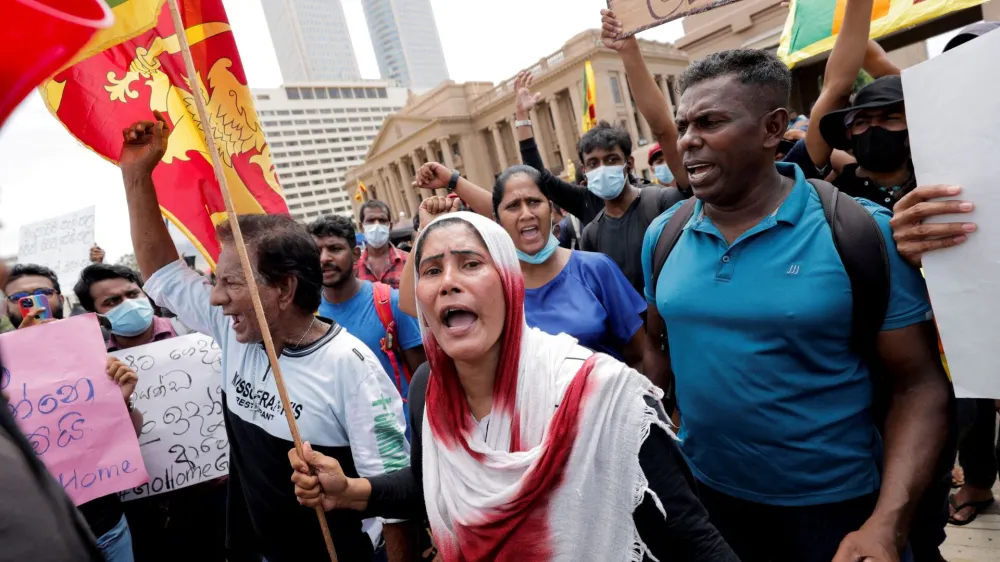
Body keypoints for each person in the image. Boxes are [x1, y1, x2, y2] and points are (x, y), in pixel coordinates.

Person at [629, 39, 951, 561]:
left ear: (773, 128)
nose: (688, 141)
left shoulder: (860, 232)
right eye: (684, 126)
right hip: (708, 502)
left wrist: (887, 524)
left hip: (839, 511)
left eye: (710, 123)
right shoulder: (663, 235)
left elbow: (918, 385)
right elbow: (659, 354)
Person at [287, 204, 740, 562]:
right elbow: (433, 481)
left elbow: (692, 537)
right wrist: (350, 491)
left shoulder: (598, 395)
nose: (449, 283)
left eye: (470, 264)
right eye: (431, 270)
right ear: (421, 301)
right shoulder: (429, 388)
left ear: (508, 283)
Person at [117, 113, 411, 562]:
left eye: (231, 282)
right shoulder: (236, 332)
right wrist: (136, 176)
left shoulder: (350, 367)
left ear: (284, 289)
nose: (215, 299)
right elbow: (163, 273)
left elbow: (395, 502)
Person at [439, 72, 687, 296]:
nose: (602, 169)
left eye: (611, 160)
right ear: (584, 171)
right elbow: (540, 178)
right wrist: (522, 118)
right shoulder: (591, 226)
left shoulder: (661, 201)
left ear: (629, 163)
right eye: (593, 163)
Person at [409, 163, 646, 368]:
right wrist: (425, 231)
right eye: (513, 207)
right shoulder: (492, 284)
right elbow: (412, 302)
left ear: (551, 209)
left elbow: (642, 354)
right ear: (497, 221)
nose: (526, 214)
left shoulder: (596, 269)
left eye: (534, 202)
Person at [73, 263, 230, 562]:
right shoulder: (93, 364)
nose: (128, 304)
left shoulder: (197, 335)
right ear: (96, 314)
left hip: (216, 492)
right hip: (145, 507)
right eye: (112, 301)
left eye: (132, 293)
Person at [4, 264, 142, 561]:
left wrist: (121, 403)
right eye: (22, 297)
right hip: (42, 541)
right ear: (6, 306)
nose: (34, 303)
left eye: (43, 293)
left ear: (60, 298)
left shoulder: (91, 351)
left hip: (108, 527)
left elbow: (130, 435)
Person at [309, 214, 426, 432]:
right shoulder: (306, 313)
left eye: (334, 249)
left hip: (399, 441)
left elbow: (423, 377)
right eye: (316, 251)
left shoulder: (389, 302)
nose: (324, 258)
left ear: (355, 255)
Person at [357, 200, 409, 289]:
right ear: (361, 227)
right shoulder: (353, 267)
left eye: (382, 220)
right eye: (371, 220)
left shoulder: (408, 261)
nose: (377, 225)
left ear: (390, 226)